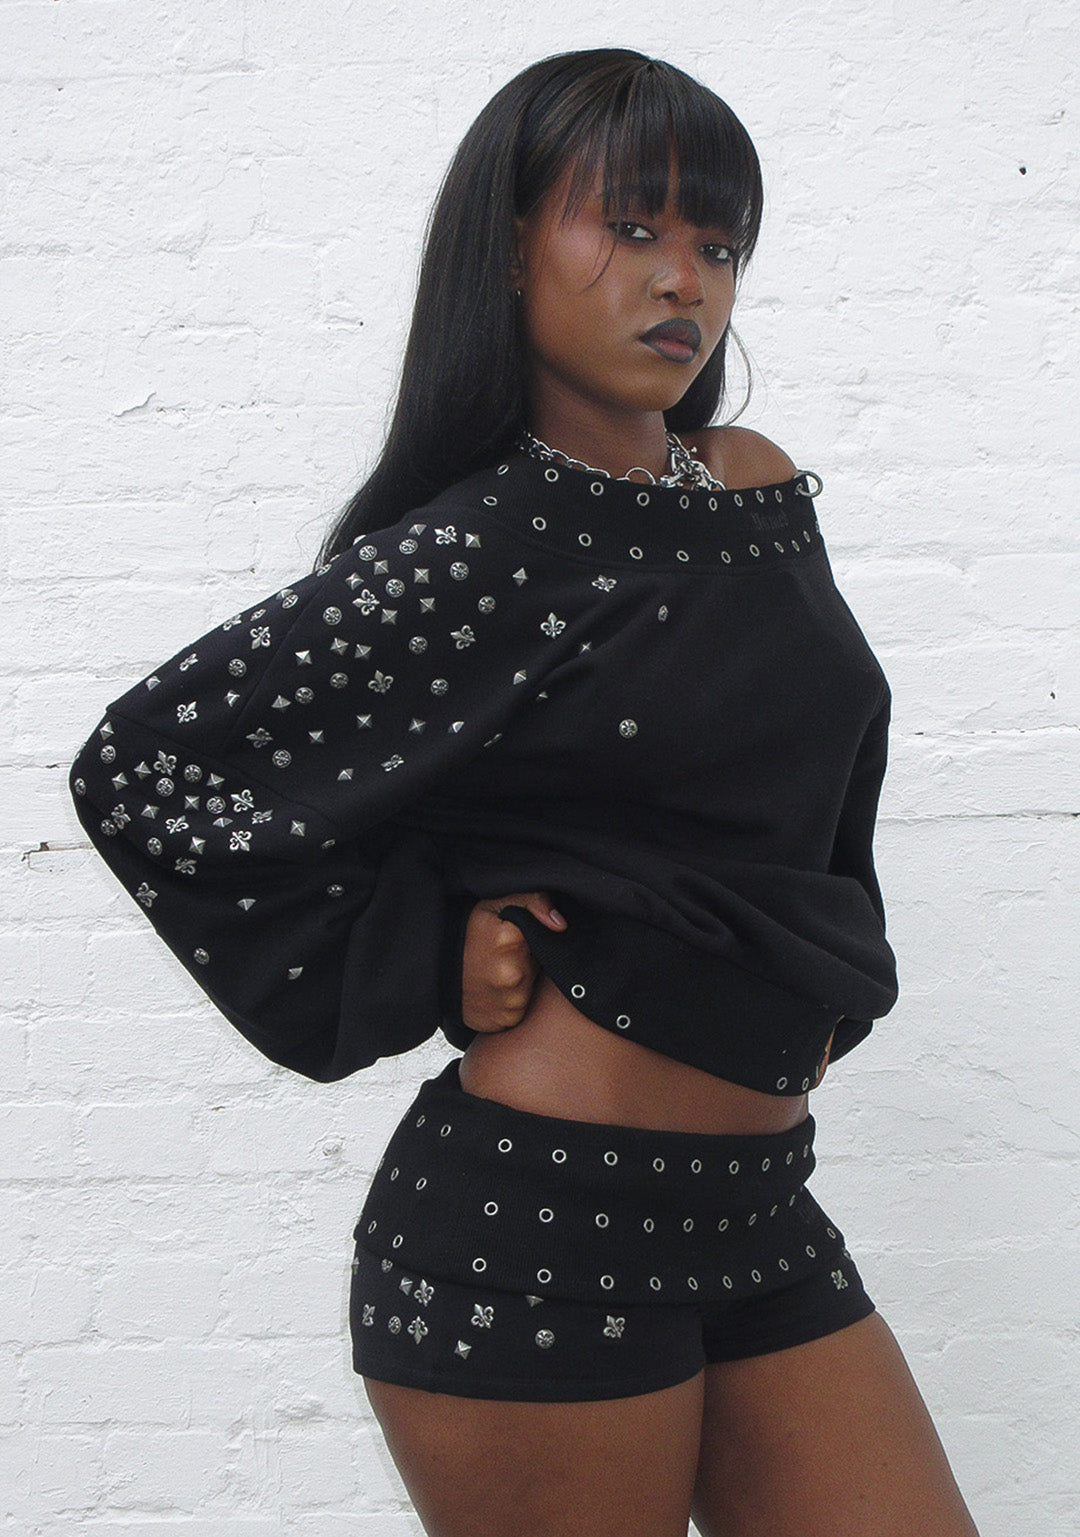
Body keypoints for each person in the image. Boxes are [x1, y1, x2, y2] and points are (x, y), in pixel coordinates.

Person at [69, 47, 980, 1537]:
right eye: (630, 226)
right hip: (536, 1227)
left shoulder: (749, 486)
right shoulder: (478, 549)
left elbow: (815, 779)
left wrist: (806, 978)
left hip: (760, 1210)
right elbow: (147, 767)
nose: (682, 279)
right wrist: (424, 947)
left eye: (718, 244)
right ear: (506, 250)